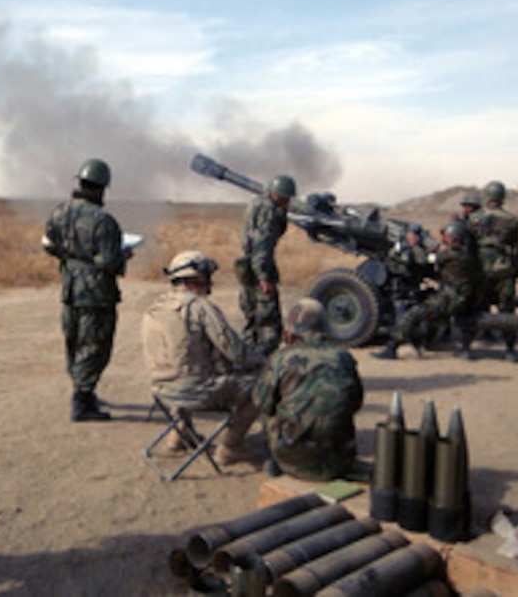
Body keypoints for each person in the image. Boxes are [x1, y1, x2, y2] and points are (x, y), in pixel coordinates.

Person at [142, 251, 264, 466]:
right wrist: (263, 361)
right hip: (196, 392)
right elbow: (236, 352)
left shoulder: (155, 308)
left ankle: (178, 436)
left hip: (162, 392)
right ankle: (231, 447)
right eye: (207, 275)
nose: (210, 281)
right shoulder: (200, 307)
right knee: (263, 384)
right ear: (195, 278)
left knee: (186, 373)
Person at [43, 158, 129, 422]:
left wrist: (72, 260)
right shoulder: (104, 221)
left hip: (70, 289)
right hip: (96, 294)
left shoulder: (59, 212)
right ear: (102, 187)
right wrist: (124, 256)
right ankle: (81, 401)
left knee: (74, 339)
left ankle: (84, 391)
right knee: (95, 345)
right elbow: (109, 262)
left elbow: (49, 244)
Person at [253, 298, 364, 482]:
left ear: (289, 333)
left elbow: (261, 402)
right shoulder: (344, 356)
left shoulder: (281, 358)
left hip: (292, 462)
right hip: (341, 462)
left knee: (269, 410)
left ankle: (274, 460)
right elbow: (356, 402)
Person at [375, 220, 482, 360]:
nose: (445, 238)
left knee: (413, 314)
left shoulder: (449, 254)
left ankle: (392, 347)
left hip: (450, 299)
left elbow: (424, 260)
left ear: (454, 237)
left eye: (447, 236)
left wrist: (414, 245)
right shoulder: (467, 255)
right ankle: (426, 341)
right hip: (462, 297)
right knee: (428, 302)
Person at [238, 174, 295, 357]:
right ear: (278, 195)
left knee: (252, 323)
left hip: (247, 269)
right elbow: (262, 245)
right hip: (259, 271)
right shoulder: (269, 211)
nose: (288, 201)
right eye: (286, 198)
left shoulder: (256, 203)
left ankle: (246, 364)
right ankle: (263, 367)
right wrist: (264, 277)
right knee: (270, 327)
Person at [466, 180, 518, 362]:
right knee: (506, 309)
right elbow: (516, 249)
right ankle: (510, 350)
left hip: (479, 270)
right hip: (504, 270)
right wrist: (516, 272)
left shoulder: (474, 219)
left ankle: (467, 348)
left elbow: (469, 247)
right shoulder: (511, 220)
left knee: (474, 307)